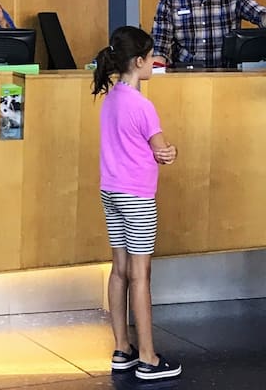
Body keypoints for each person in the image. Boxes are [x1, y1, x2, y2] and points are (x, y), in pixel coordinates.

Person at [92, 26, 181, 382]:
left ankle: (122, 349)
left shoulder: (111, 97)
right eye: (151, 57)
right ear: (139, 61)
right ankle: (148, 357)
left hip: (110, 191)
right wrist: (170, 152)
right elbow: (162, 150)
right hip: (137, 197)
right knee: (141, 274)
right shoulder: (143, 105)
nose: (153, 62)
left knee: (119, 269)